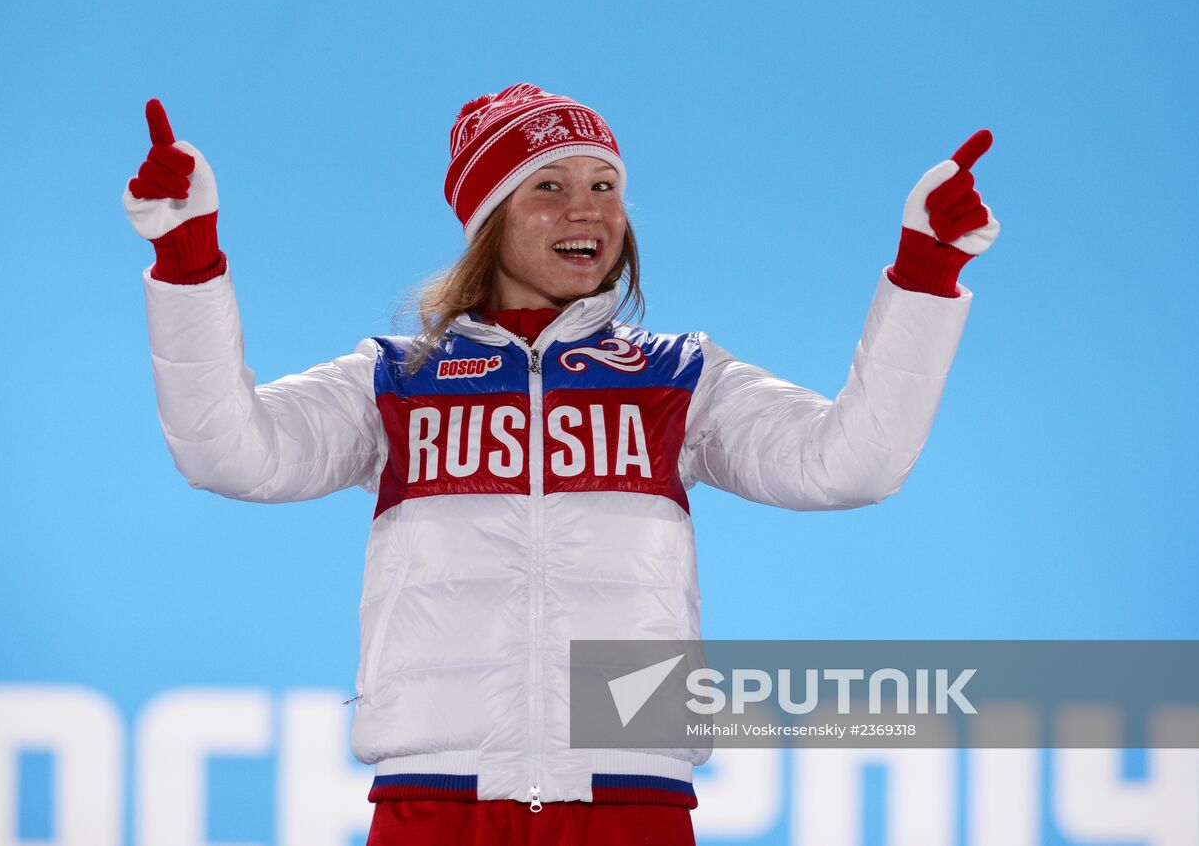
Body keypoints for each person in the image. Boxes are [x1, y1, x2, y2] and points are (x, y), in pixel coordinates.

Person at [122, 84, 999, 845]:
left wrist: (925, 273)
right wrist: (187, 258)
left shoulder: (680, 376)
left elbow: (853, 463)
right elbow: (229, 452)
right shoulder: (397, 380)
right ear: (486, 219)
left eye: (606, 186)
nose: (590, 210)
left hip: (632, 799)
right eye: (550, 186)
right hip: (436, 802)